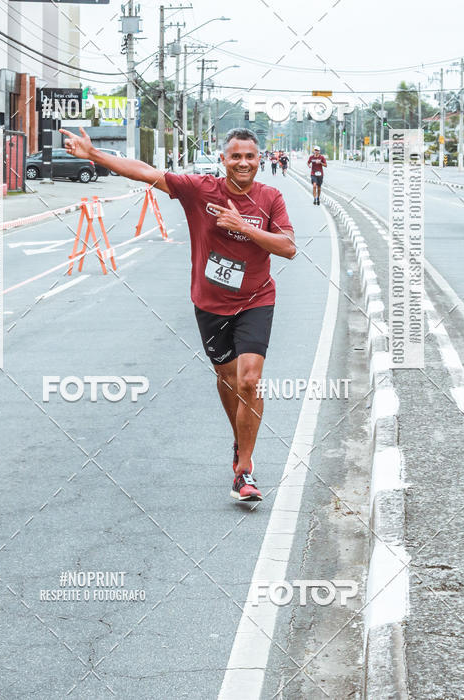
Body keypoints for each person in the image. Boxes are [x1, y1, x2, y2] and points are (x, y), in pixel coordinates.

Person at [60, 125, 296, 503]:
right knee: (229, 379)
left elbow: (287, 248)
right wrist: (95, 155)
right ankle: (241, 437)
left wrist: (243, 228)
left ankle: (243, 469)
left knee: (249, 380)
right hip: (209, 304)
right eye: (235, 156)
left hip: (255, 299)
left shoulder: (270, 197)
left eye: (250, 156)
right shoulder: (200, 189)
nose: (243, 163)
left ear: (259, 159)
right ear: (224, 159)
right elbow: (146, 172)